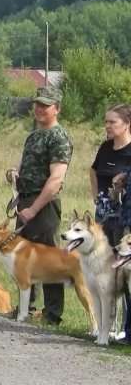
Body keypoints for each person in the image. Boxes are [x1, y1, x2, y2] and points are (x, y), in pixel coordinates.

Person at [12, 87, 72, 325]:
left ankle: (52, 313)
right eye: (37, 104)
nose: (39, 108)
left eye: (45, 105)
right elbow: (26, 164)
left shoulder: (58, 137)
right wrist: (15, 174)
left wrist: (34, 209)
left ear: (57, 109)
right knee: (23, 258)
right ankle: (27, 308)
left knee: (50, 259)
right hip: (25, 200)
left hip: (43, 205)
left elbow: (56, 179)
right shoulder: (33, 135)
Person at [90, 104, 131, 342]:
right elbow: (93, 170)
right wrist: (96, 195)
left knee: (124, 271)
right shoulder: (105, 147)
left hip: (125, 216)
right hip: (104, 216)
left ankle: (126, 328)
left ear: (126, 124)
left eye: (112, 122)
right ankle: (106, 326)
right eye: (106, 122)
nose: (107, 126)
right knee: (104, 269)